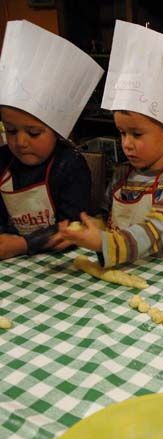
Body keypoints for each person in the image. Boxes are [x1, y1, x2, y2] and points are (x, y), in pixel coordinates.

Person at [61, 21, 163, 267]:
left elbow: (152, 233)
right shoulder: (122, 174)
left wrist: (100, 243)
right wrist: (89, 227)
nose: (126, 144)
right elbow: (106, 219)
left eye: (137, 134)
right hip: (126, 267)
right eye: (121, 132)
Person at [0, 20, 103, 260]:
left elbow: (73, 228)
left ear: (57, 132)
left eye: (33, 133)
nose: (21, 142)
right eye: (12, 131)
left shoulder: (69, 166)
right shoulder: (3, 160)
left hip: (62, 264)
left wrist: (22, 244)